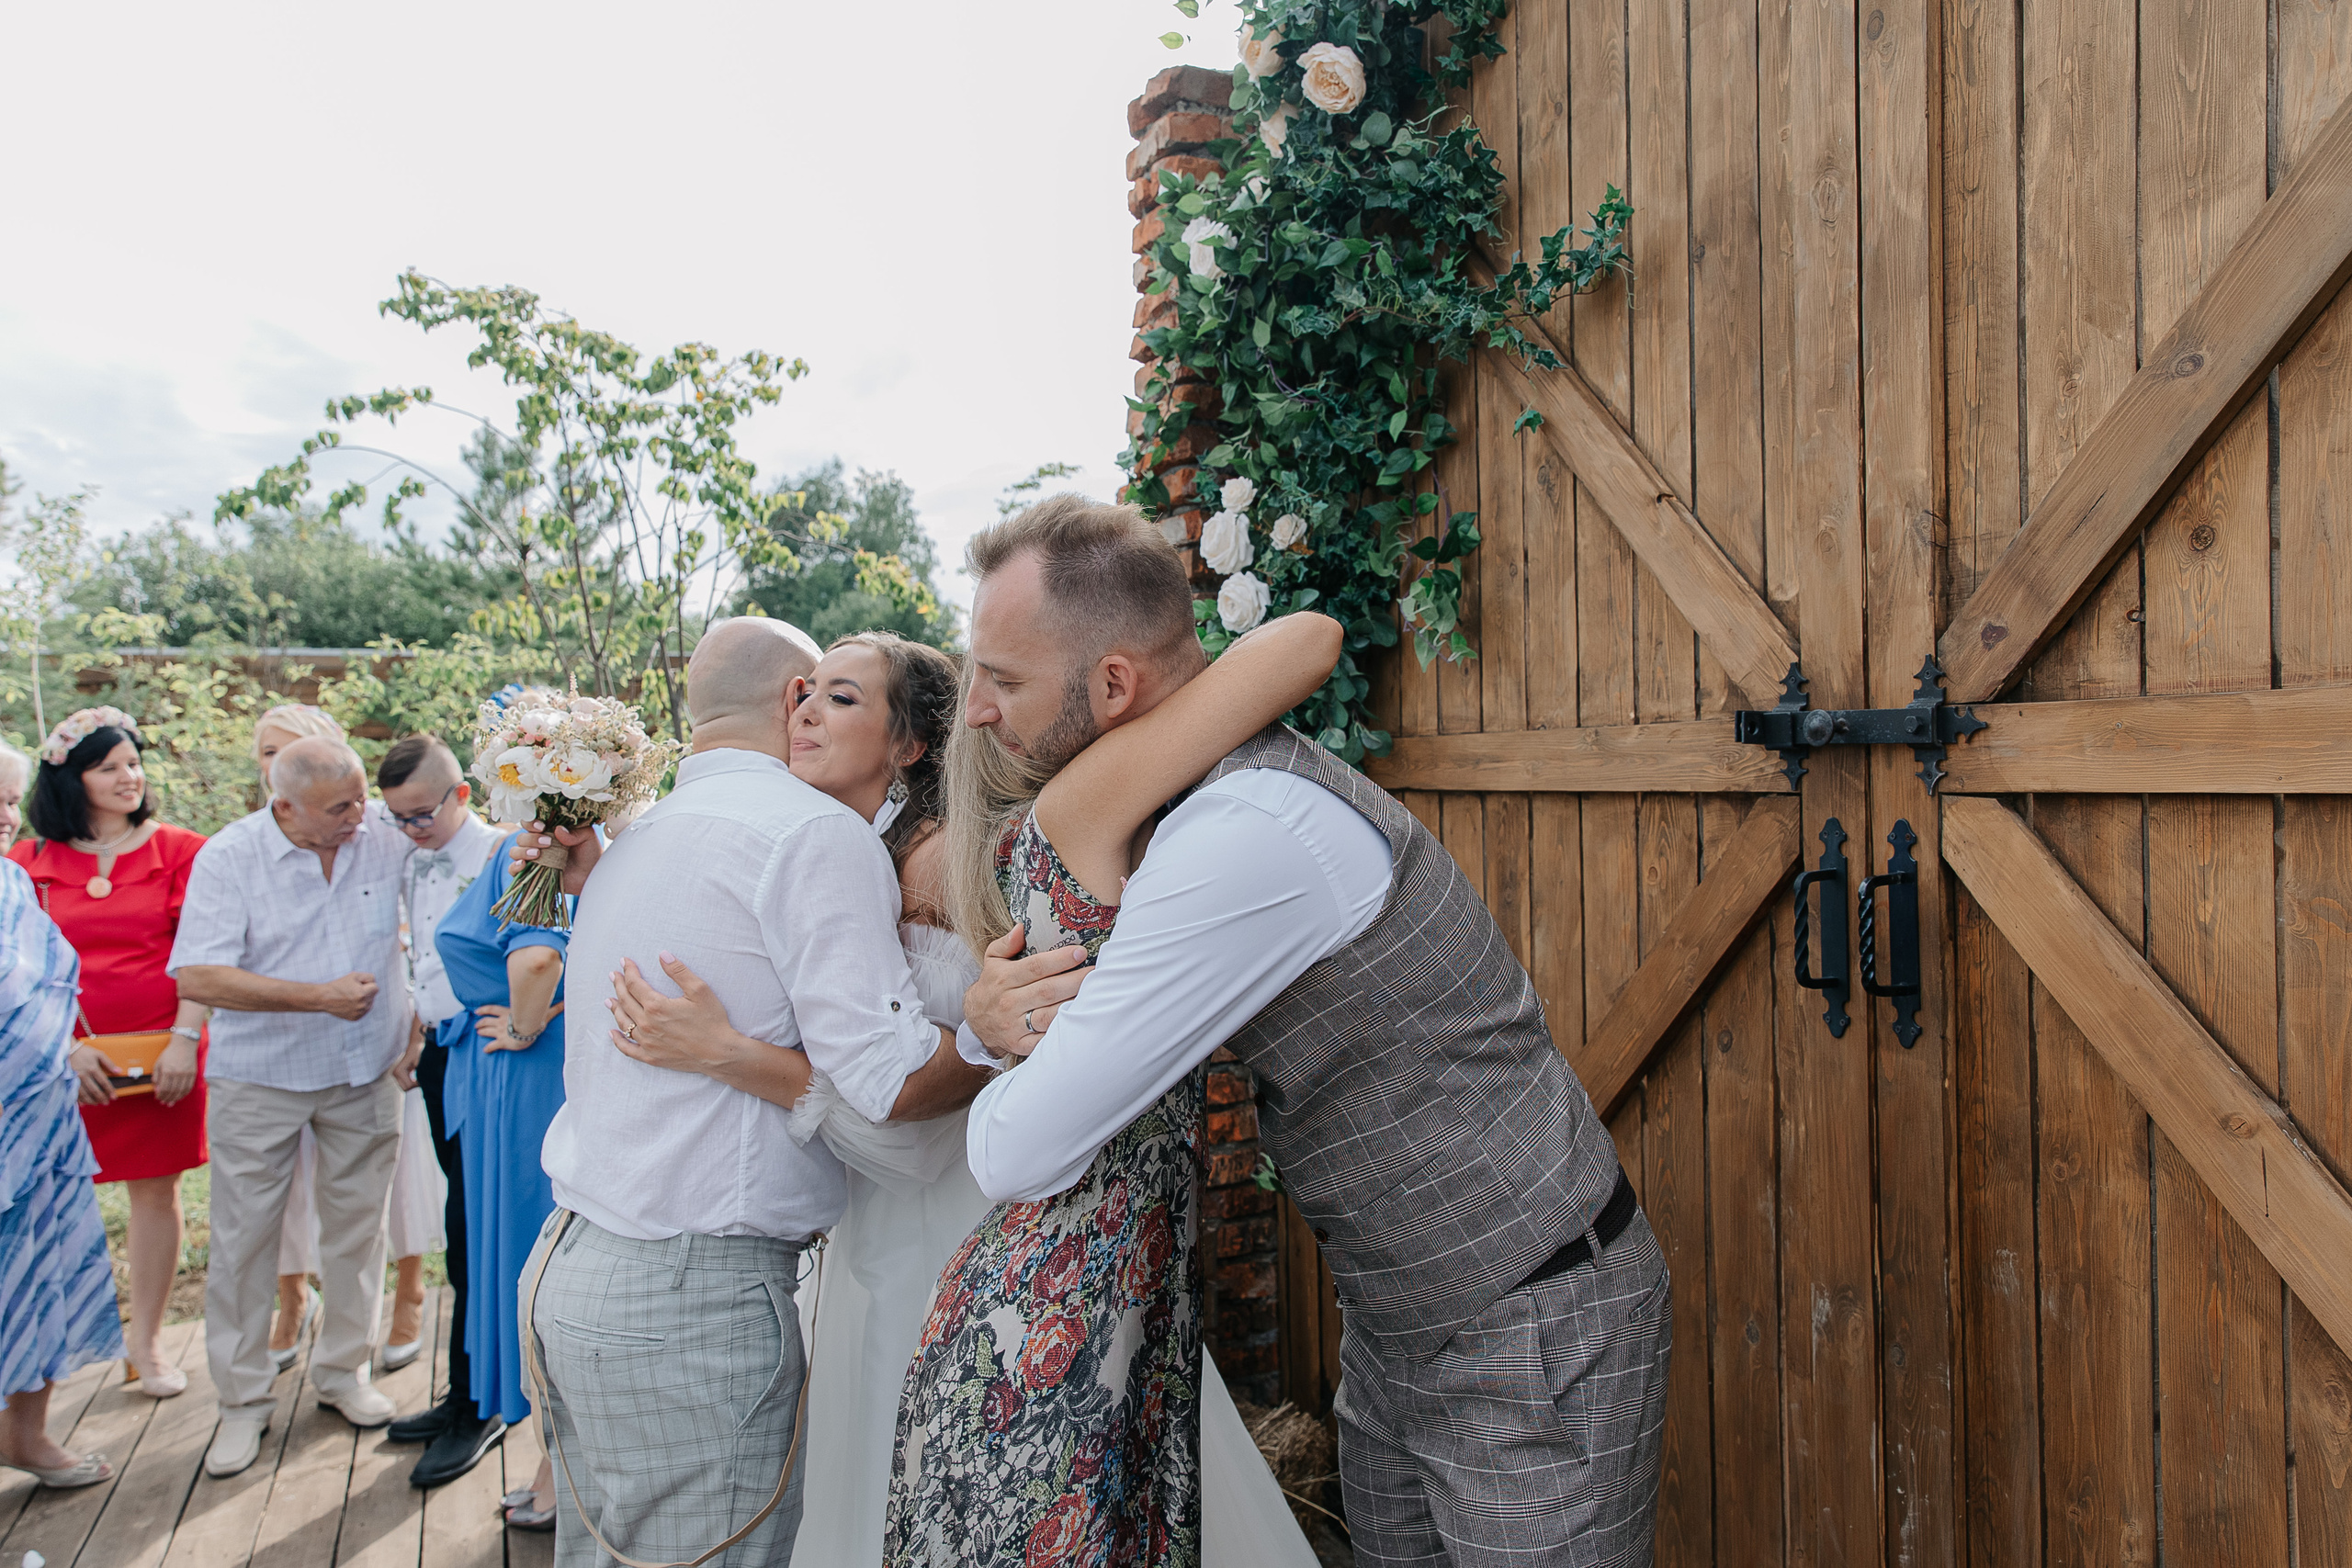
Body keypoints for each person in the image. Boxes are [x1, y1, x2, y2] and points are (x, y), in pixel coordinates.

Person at [945, 496, 1672, 1566]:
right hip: (1397, 1332)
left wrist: (996, 1059)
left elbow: (1022, 1146)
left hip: (1531, 1327)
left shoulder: (1238, 841)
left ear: (1112, 686)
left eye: (1003, 680)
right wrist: (984, 1023)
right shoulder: (1189, 808)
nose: (974, 712)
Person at [872, 560, 1344, 1564]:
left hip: (1107, 1302)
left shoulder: (1045, 835)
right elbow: (1307, 639)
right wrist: (1130, 657)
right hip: (1057, 1316)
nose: (984, 707)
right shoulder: (1081, 805)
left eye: (1004, 680)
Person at [524, 616, 989, 1568]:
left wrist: (733, 1054)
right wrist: (1004, 1027)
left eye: (843, 696)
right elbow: (896, 1079)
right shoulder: (810, 834)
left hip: (570, 1262)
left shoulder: (648, 832)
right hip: (687, 1293)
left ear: (909, 746)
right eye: (815, 691)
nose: (816, 711)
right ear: (789, 700)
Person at [170, 735, 416, 1478]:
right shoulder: (229, 856)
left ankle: (344, 1371)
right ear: (283, 806)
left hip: (365, 1070)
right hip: (262, 1078)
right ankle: (242, 1403)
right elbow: (200, 974)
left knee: (358, 1231)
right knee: (245, 1242)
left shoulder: (380, 837)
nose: (358, 815)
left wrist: (417, 1019)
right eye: (339, 806)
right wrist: (318, 998)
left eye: (359, 797)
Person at [8, 709, 210, 1399]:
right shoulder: (25, 861)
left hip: (167, 1056)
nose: (129, 777)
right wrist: (63, 1046)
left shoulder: (182, 850)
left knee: (158, 1192)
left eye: (133, 762)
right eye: (108, 767)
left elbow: (202, 956)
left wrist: (185, 1040)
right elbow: (14, 968)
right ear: (71, 779)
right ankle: (51, 1356)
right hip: (55, 1061)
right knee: (53, 1205)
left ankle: (146, 1342)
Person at [248, 705, 436, 1378]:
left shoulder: (382, 830)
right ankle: (292, 1303)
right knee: (287, 1201)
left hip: (377, 1053)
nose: (277, 760)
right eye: (268, 751)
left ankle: (404, 1298)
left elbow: (440, 880)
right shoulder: (244, 848)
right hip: (278, 1061)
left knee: (388, 1193)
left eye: (292, 748)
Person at [370, 732, 507, 1489]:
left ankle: (481, 1403)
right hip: (438, 1051)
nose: (409, 831)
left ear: (462, 794)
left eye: (420, 815)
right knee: (459, 1226)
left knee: (474, 1233)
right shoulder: (415, 855)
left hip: (489, 1055)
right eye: (397, 819)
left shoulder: (509, 853)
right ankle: (463, 1389)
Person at [430, 806, 570, 1531]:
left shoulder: (536, 851)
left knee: (530, 1265)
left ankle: (559, 1468)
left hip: (526, 1081)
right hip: (504, 1079)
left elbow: (540, 957)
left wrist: (526, 1018)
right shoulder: (559, 849)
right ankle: (553, 1459)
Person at [0, 739, 127, 1491]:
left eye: (10, 801)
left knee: (38, 1272)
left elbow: (45, 986)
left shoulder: (13, 883)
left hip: (39, 1115)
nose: (5, 816)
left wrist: (66, 1046)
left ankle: (26, 1433)